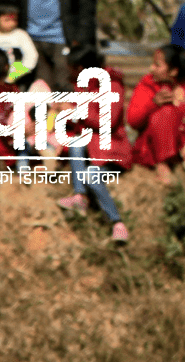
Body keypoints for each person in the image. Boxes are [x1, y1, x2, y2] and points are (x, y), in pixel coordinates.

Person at [54, 44, 130, 244]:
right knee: (75, 143)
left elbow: (107, 121)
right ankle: (79, 197)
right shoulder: (84, 85)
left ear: (79, 68)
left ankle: (117, 222)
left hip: (111, 150)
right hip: (93, 146)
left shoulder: (112, 86)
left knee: (91, 175)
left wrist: (75, 111)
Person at [126, 43, 185, 182]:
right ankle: (163, 166)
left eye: (157, 65)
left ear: (174, 71)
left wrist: (184, 106)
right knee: (165, 111)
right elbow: (133, 121)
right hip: (153, 148)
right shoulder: (147, 85)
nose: (151, 68)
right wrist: (153, 104)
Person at [0, 1, 36, 83]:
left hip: (18, 80)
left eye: (14, 20)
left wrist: (12, 77)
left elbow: (31, 57)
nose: (11, 23)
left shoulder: (21, 35)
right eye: (7, 20)